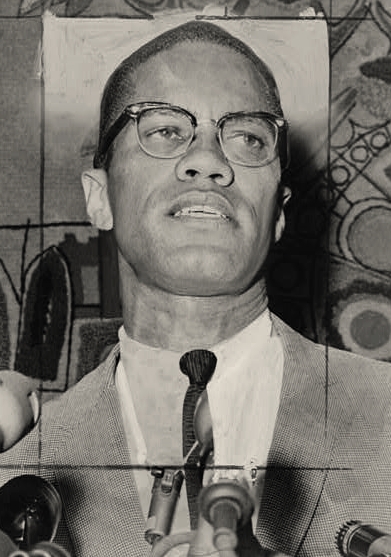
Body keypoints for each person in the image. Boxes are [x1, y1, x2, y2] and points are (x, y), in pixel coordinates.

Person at [1, 19, 391, 557]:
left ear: (279, 212)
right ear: (100, 198)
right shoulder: (17, 474)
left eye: (248, 138)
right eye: (164, 129)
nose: (208, 161)